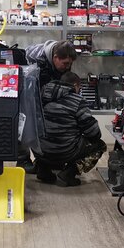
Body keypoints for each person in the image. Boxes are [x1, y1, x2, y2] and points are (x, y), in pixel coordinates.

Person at [33, 72, 107, 187]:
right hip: (64, 151)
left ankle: (43, 169)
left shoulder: (41, 95)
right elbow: (93, 132)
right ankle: (68, 174)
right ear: (75, 85)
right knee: (99, 146)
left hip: (39, 150)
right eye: (79, 87)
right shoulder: (77, 101)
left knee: (47, 137)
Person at [18, 40, 77, 173]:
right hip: (25, 88)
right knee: (26, 122)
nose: (68, 67)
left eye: (70, 64)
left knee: (48, 120)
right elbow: (32, 89)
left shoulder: (63, 56)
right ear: (55, 57)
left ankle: (44, 159)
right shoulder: (36, 60)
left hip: (43, 85)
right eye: (65, 64)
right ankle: (22, 159)